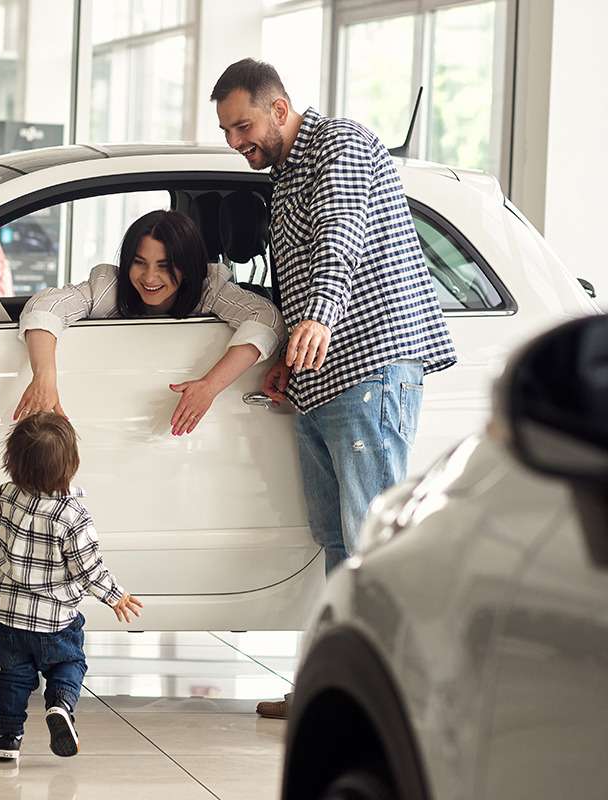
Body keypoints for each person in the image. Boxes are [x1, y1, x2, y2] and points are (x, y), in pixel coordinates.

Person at [210, 58, 457, 718]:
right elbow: (299, 265)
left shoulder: (339, 143)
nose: (236, 142)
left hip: (370, 366)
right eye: (227, 132)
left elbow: (339, 236)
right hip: (323, 378)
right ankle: (335, 689)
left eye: (242, 126)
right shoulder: (286, 174)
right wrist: (293, 352)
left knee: (374, 544)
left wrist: (318, 315)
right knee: (341, 545)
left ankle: (395, 701)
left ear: (279, 108)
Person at [0, 412, 144, 762]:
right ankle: (60, 703)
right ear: (71, 464)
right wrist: (115, 595)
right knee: (69, 662)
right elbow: (88, 567)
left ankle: (6, 739)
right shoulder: (73, 516)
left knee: (13, 678)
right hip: (55, 621)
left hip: (9, 617)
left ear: (13, 463)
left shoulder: (9, 496)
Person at [15, 210, 286, 433]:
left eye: (164, 266)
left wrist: (210, 385)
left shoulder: (210, 290)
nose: (149, 277)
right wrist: (44, 376)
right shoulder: (108, 288)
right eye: (140, 263)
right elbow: (46, 306)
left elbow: (267, 317)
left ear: (188, 266)